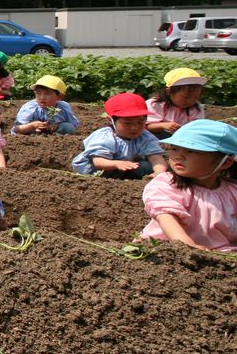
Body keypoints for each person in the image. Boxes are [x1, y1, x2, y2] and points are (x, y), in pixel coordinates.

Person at [139, 120, 236, 251]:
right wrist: (188, 246)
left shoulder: (232, 191)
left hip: (220, 254)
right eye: (174, 149)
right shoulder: (167, 183)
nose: (179, 156)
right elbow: (166, 216)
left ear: (225, 163)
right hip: (164, 250)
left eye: (191, 151)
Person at [72, 93, 167, 179]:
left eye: (140, 123)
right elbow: (98, 162)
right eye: (127, 123)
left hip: (126, 168)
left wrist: (159, 173)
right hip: (99, 170)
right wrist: (117, 163)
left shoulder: (145, 137)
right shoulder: (105, 137)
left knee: (147, 166)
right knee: (99, 172)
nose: (134, 128)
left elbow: (156, 158)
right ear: (111, 120)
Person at [146, 68, 207, 139]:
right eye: (185, 97)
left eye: (195, 97)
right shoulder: (155, 104)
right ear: (169, 91)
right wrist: (162, 125)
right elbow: (144, 126)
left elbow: (197, 128)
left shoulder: (196, 108)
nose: (190, 101)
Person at [12, 75, 79, 135]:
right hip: (34, 131)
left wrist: (57, 125)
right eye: (38, 93)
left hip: (55, 132)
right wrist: (32, 125)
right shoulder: (30, 107)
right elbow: (17, 128)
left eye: (48, 94)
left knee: (68, 127)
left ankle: (56, 136)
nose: (42, 97)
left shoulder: (63, 107)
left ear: (59, 97)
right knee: (28, 128)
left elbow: (73, 125)